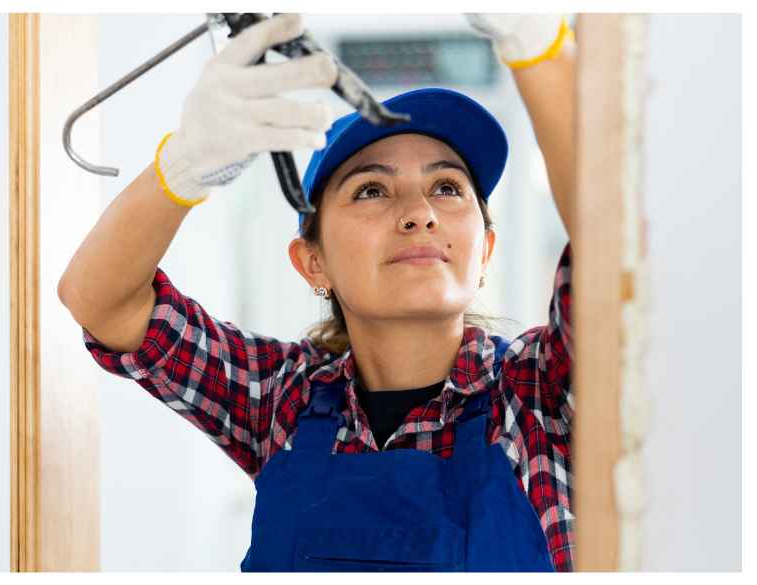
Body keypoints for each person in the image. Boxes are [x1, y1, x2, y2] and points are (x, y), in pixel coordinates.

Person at [58, 13, 575, 572]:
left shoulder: (539, 392)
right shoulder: (281, 399)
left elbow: (607, 248)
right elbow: (100, 300)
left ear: (485, 252)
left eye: (446, 187)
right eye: (372, 190)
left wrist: (538, 43)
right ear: (313, 262)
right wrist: (185, 167)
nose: (420, 213)